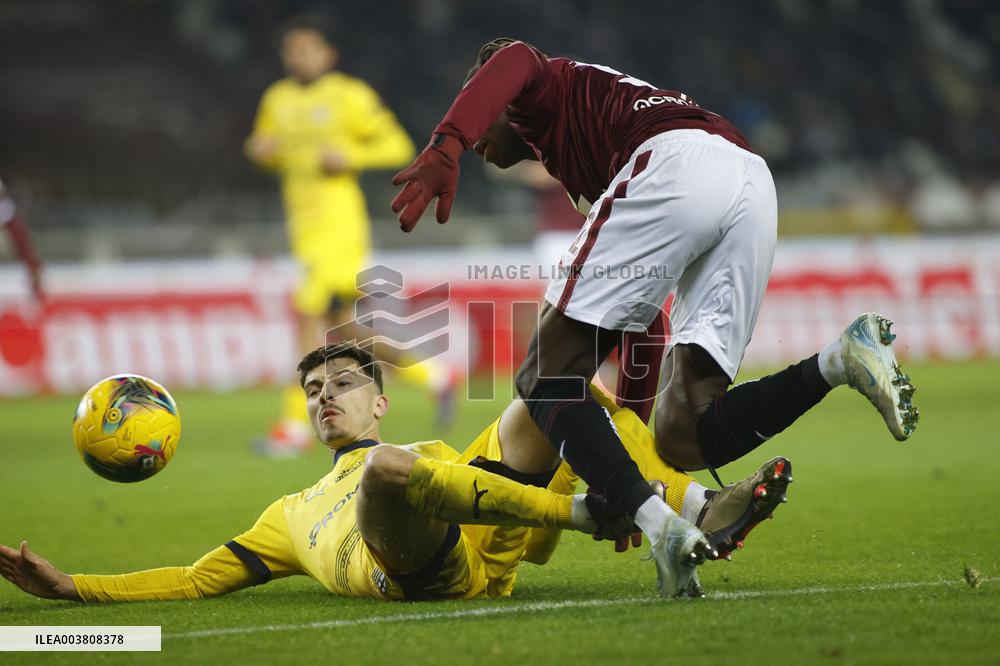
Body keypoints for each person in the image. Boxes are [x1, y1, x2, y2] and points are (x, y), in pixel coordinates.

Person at [391, 38, 918, 593]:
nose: (475, 142)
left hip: (676, 163)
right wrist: (625, 466)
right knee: (684, 433)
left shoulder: (539, 93)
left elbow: (515, 57)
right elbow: (646, 327)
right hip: (749, 181)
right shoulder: (584, 158)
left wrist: (445, 144)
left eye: (475, 113)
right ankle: (839, 361)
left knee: (545, 378)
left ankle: (663, 528)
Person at [0, 343, 791, 602]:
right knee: (386, 475)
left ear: (379, 401)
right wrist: (75, 593)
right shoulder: (288, 511)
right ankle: (601, 512)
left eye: (340, 385)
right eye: (312, 393)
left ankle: (694, 503)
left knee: (558, 384)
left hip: (481, 524)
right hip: (418, 562)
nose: (323, 399)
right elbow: (193, 578)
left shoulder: (435, 455)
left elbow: (485, 472)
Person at [244, 16, 454, 456]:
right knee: (348, 335)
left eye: (307, 49)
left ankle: (292, 427)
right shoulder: (277, 99)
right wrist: (260, 152)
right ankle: (433, 375)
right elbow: (261, 144)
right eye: (292, 50)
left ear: (327, 55)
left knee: (307, 316)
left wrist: (351, 155)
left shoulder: (349, 96)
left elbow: (396, 145)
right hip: (303, 229)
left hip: (340, 229)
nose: (298, 57)